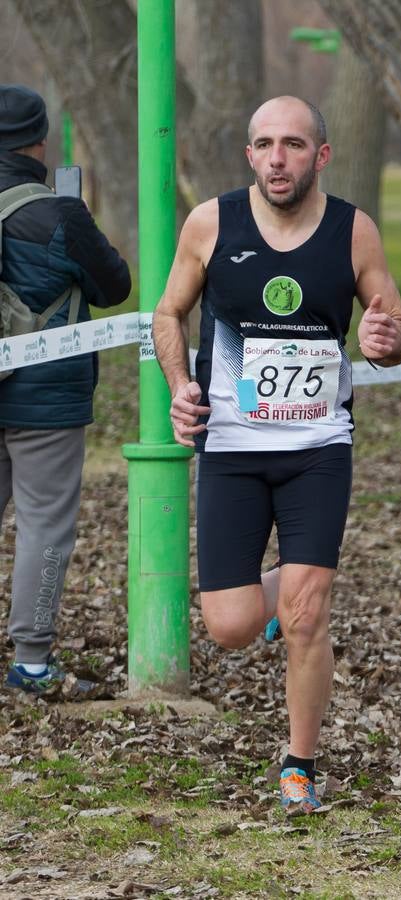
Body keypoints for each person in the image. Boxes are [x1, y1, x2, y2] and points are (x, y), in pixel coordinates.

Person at [152, 96, 401, 813]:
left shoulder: (353, 230)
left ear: (320, 155)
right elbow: (169, 312)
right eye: (265, 144)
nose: (278, 158)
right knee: (231, 626)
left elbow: (396, 325)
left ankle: (299, 764)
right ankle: (285, 583)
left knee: (305, 615)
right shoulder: (211, 223)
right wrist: (179, 385)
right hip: (233, 448)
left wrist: (389, 340)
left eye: (294, 145)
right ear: (249, 155)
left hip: (317, 448)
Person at [0, 85, 131, 695]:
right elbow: (114, 286)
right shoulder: (59, 213)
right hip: (44, 400)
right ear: (39, 141)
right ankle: (31, 663)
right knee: (44, 526)